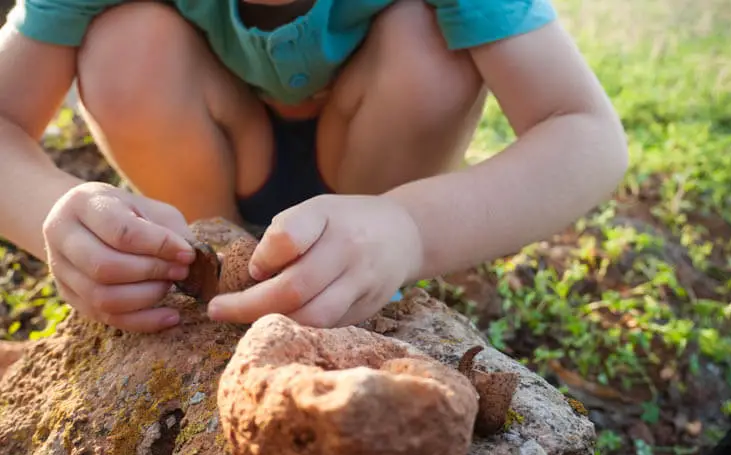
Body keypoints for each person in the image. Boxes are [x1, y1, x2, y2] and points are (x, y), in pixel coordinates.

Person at [0, 0, 628, 334]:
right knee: (125, 41)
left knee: (428, 40)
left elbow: (584, 131)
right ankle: (209, 264)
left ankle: (362, 270)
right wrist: (56, 215)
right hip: (208, 164)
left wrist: (410, 227)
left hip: (374, 169)